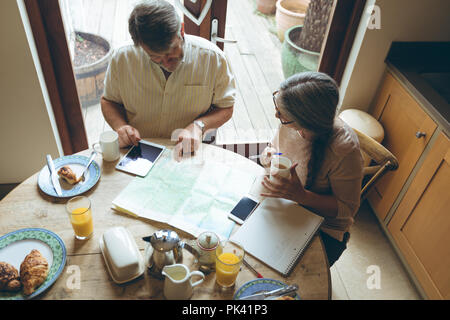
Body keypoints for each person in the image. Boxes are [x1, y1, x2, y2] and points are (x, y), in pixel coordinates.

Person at [101, 0, 235, 159]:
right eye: (155, 57)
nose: (166, 63)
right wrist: (120, 126)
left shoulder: (213, 59)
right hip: (138, 151)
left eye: (171, 53)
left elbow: (226, 107)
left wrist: (199, 126)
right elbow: (109, 101)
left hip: (188, 151)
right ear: (141, 46)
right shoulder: (122, 58)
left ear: (182, 31)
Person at [260, 72, 363, 267]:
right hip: (286, 205)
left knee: (277, 269)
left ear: (306, 120)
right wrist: (269, 156)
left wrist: (302, 196)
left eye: (282, 114)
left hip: (324, 229)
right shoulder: (289, 123)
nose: (277, 115)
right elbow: (275, 150)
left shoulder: (343, 150)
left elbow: (347, 210)